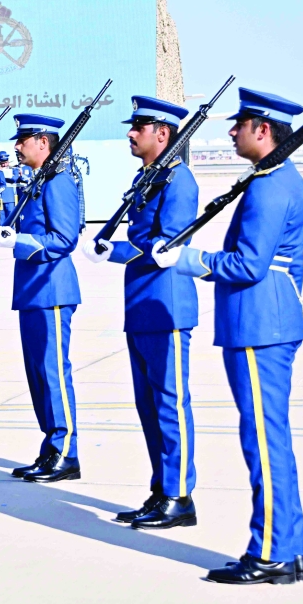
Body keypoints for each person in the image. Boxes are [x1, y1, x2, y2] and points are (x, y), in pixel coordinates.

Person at [154, 88, 303, 585]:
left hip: (258, 323)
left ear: (263, 130)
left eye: (239, 124)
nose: (231, 131)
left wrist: (186, 260)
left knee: (263, 443)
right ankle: (289, 547)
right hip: (266, 319)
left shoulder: (269, 187)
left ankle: (270, 554)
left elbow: (248, 265)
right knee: (271, 440)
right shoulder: (275, 178)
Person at [82, 96, 200, 530]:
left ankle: (180, 495)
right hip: (141, 305)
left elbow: (166, 245)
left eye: (139, 127)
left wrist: (121, 251)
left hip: (166, 305)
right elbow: (141, 243)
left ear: (163, 134)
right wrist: (110, 250)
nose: (130, 133)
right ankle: (161, 489)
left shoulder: (178, 181)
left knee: (170, 404)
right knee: (148, 406)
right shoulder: (149, 177)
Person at [0, 114, 82, 482]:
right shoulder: (38, 182)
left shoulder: (59, 183)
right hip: (32, 290)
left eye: (23, 140)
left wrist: (20, 241)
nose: (16, 146)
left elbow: (64, 239)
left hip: (52, 289)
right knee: (37, 375)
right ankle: (51, 447)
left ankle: (66, 451)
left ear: (43, 143)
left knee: (53, 372)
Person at [0, 151, 19, 227]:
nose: (4, 165)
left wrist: (3, 174)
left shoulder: (14, 170)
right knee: (1, 218)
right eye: (2, 163)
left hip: (10, 197)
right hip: (0, 197)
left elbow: (14, 179)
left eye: (5, 163)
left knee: (10, 217)